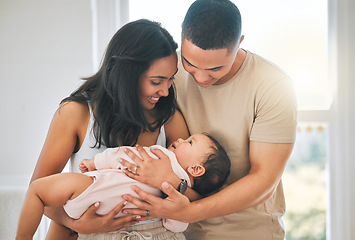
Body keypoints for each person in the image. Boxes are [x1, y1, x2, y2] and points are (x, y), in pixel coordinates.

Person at [117, 1, 298, 239]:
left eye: (215, 68)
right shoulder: (168, 75)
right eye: (190, 64)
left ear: (239, 43)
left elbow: (264, 180)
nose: (201, 78)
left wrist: (190, 211)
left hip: (249, 232)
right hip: (175, 231)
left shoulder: (273, 86)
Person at [28, 19, 191, 239]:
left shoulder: (168, 120)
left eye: (170, 80)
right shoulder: (75, 113)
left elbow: (197, 195)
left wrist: (173, 182)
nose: (165, 91)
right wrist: (75, 223)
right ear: (126, 74)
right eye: (156, 81)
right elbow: (38, 192)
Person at [16, 133, 231, 240]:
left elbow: (124, 155)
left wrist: (95, 163)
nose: (182, 139)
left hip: (91, 191)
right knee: (37, 191)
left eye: (190, 143)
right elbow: (175, 225)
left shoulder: (164, 157)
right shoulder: (167, 164)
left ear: (196, 170)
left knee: (38, 191)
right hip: (90, 198)